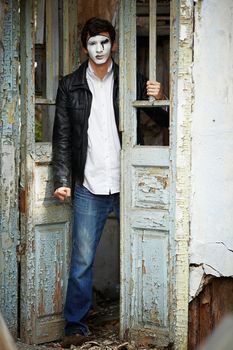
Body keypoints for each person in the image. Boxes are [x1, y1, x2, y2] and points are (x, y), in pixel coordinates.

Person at [52, 17, 168, 348]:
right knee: (83, 259)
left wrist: (159, 97)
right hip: (90, 184)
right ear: (84, 46)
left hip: (130, 183)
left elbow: (162, 117)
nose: (99, 49)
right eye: (92, 43)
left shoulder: (131, 78)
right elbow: (62, 136)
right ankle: (75, 324)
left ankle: (152, 321)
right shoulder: (69, 84)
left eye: (104, 42)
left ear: (113, 44)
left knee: (145, 249)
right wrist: (62, 179)